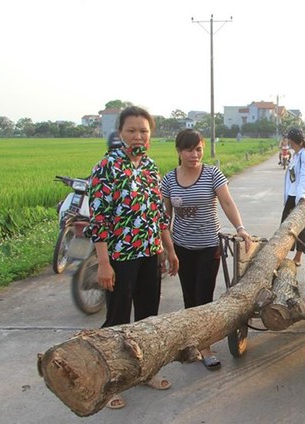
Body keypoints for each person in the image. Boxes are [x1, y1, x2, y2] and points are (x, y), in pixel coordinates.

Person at [85, 106, 179, 409]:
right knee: (116, 319)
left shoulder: (151, 166)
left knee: (148, 316)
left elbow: (157, 213)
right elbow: (99, 219)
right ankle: (110, 382)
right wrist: (103, 263)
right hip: (120, 256)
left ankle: (145, 372)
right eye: (131, 130)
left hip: (150, 252)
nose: (138, 136)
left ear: (150, 135)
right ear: (120, 133)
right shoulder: (106, 167)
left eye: (144, 131)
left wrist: (169, 248)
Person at [161, 129, 252, 370]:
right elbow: (164, 217)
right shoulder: (170, 179)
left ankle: (206, 346)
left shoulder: (212, 175)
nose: (195, 154)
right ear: (179, 152)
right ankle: (191, 341)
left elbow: (227, 202)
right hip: (181, 247)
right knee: (189, 296)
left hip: (209, 246)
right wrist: (166, 249)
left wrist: (240, 228)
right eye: (189, 150)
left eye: (198, 149)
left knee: (204, 295)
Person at [281, 128, 305, 266]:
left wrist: (302, 196)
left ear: (294, 141)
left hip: (300, 196)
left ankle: (298, 256)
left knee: (301, 228)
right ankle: (282, 252)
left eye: (289, 139)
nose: (288, 141)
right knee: (285, 226)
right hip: (291, 195)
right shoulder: (295, 155)